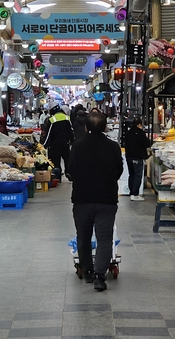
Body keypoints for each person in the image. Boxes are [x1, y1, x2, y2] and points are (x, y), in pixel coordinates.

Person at [68, 111, 124, 291]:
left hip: (82, 198)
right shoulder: (113, 146)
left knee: (83, 236)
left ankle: (87, 272)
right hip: (106, 199)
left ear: (86, 127)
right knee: (104, 238)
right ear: (105, 126)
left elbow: (70, 171)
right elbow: (118, 171)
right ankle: (100, 276)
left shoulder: (78, 146)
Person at [42, 104, 74, 180]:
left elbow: (49, 134)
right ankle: (68, 173)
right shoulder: (67, 118)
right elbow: (71, 132)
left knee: (55, 160)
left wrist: (45, 145)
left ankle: (57, 176)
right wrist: (73, 142)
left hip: (54, 143)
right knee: (67, 158)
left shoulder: (52, 120)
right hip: (65, 142)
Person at [124, 117, 151, 201]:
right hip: (137, 157)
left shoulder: (128, 133)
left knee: (131, 174)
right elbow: (147, 144)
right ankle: (135, 194)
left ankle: (131, 192)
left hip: (129, 156)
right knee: (137, 175)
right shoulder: (140, 133)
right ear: (139, 124)